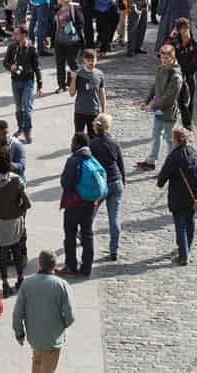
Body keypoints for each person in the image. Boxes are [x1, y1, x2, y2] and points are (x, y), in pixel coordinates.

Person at [11, 250, 76, 371]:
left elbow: (17, 313)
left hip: (34, 338)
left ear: (39, 264)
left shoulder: (26, 284)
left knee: (37, 363)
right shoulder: (62, 285)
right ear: (54, 265)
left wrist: (19, 333)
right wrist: (61, 326)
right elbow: (70, 316)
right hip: (53, 339)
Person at [153, 123, 197, 264]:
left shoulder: (174, 156)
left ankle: (183, 256)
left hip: (178, 195)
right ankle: (187, 248)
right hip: (193, 194)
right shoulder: (196, 153)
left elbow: (165, 173)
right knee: (190, 221)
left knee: (180, 225)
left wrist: (160, 183)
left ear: (176, 140)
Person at [0, 148, 31, 295]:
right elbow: (27, 203)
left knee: (2, 252)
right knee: (17, 251)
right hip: (15, 219)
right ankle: (20, 278)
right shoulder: (16, 180)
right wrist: (20, 211)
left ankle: (4, 283)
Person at [58, 132, 101, 276]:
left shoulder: (73, 160)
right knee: (87, 235)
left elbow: (66, 184)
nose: (70, 145)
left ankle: (71, 266)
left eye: (72, 142)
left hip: (74, 204)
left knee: (70, 235)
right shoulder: (92, 159)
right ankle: (86, 268)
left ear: (77, 144)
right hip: (90, 204)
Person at [87, 112, 127, 262]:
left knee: (91, 214)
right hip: (116, 182)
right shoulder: (114, 143)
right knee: (114, 218)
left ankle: (84, 236)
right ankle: (114, 250)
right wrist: (123, 181)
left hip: (100, 184)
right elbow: (120, 164)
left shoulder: (93, 144)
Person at [140, 42, 185, 169]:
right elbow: (155, 86)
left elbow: (168, 98)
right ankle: (151, 161)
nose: (164, 60)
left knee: (170, 141)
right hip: (158, 111)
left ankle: (170, 166)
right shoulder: (160, 68)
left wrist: (152, 107)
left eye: (166, 58)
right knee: (156, 135)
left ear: (172, 57)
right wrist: (147, 100)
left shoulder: (176, 76)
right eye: (162, 57)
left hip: (169, 113)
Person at [3, 26, 41, 144]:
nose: (14, 36)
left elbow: (37, 67)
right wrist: (11, 67)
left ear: (24, 35)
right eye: (14, 34)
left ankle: (27, 132)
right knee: (19, 108)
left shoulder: (31, 49)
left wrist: (40, 84)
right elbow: (5, 62)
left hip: (28, 81)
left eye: (17, 34)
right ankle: (20, 128)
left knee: (26, 108)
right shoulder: (12, 47)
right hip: (15, 80)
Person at [71, 47, 107, 143]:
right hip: (80, 111)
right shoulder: (79, 74)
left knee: (93, 138)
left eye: (93, 60)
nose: (91, 62)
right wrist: (73, 79)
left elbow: (102, 93)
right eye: (88, 60)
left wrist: (103, 111)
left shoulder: (99, 74)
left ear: (96, 60)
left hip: (93, 112)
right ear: (84, 60)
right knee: (79, 137)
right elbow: (71, 93)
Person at [50, 0, 81, 92]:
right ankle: (61, 85)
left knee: (72, 63)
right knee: (60, 64)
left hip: (72, 41)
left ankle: (74, 83)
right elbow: (54, 25)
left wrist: (71, 26)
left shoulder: (74, 8)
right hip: (59, 40)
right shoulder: (57, 9)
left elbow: (81, 23)